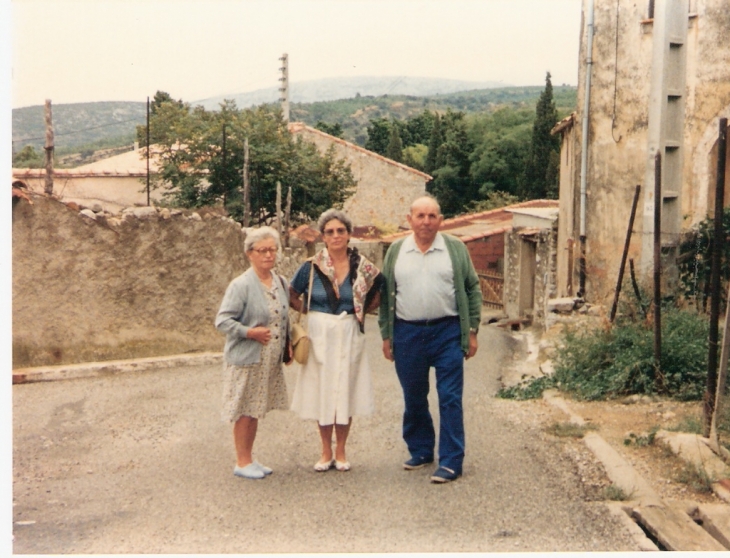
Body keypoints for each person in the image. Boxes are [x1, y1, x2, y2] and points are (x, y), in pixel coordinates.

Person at [378, 195, 482, 483]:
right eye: (420, 216)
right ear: (409, 219)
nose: (426, 222)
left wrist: (471, 330)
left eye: (432, 216)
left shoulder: (455, 249)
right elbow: (387, 294)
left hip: (447, 331)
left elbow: (472, 288)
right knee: (414, 396)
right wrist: (387, 335)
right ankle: (421, 449)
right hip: (407, 333)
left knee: (449, 397)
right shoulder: (397, 251)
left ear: (441, 220)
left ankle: (450, 461)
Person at [289, 209, 383, 472]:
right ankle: (325, 450)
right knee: (323, 389)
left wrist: (362, 311)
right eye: (329, 231)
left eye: (341, 230)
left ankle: (341, 450)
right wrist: (311, 313)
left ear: (349, 234)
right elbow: (292, 293)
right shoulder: (310, 265)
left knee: (346, 387)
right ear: (323, 236)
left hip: (349, 329)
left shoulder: (363, 266)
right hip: (320, 332)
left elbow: (378, 292)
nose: (336, 235)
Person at [215, 226, 291, 480]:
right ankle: (242, 461)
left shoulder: (279, 282)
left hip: (267, 360)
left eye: (273, 250)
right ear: (250, 253)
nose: (269, 255)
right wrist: (251, 332)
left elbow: (283, 316)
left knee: (255, 409)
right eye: (262, 250)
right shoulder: (241, 285)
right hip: (247, 358)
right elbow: (223, 321)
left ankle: (249, 458)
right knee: (244, 411)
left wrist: (288, 342)